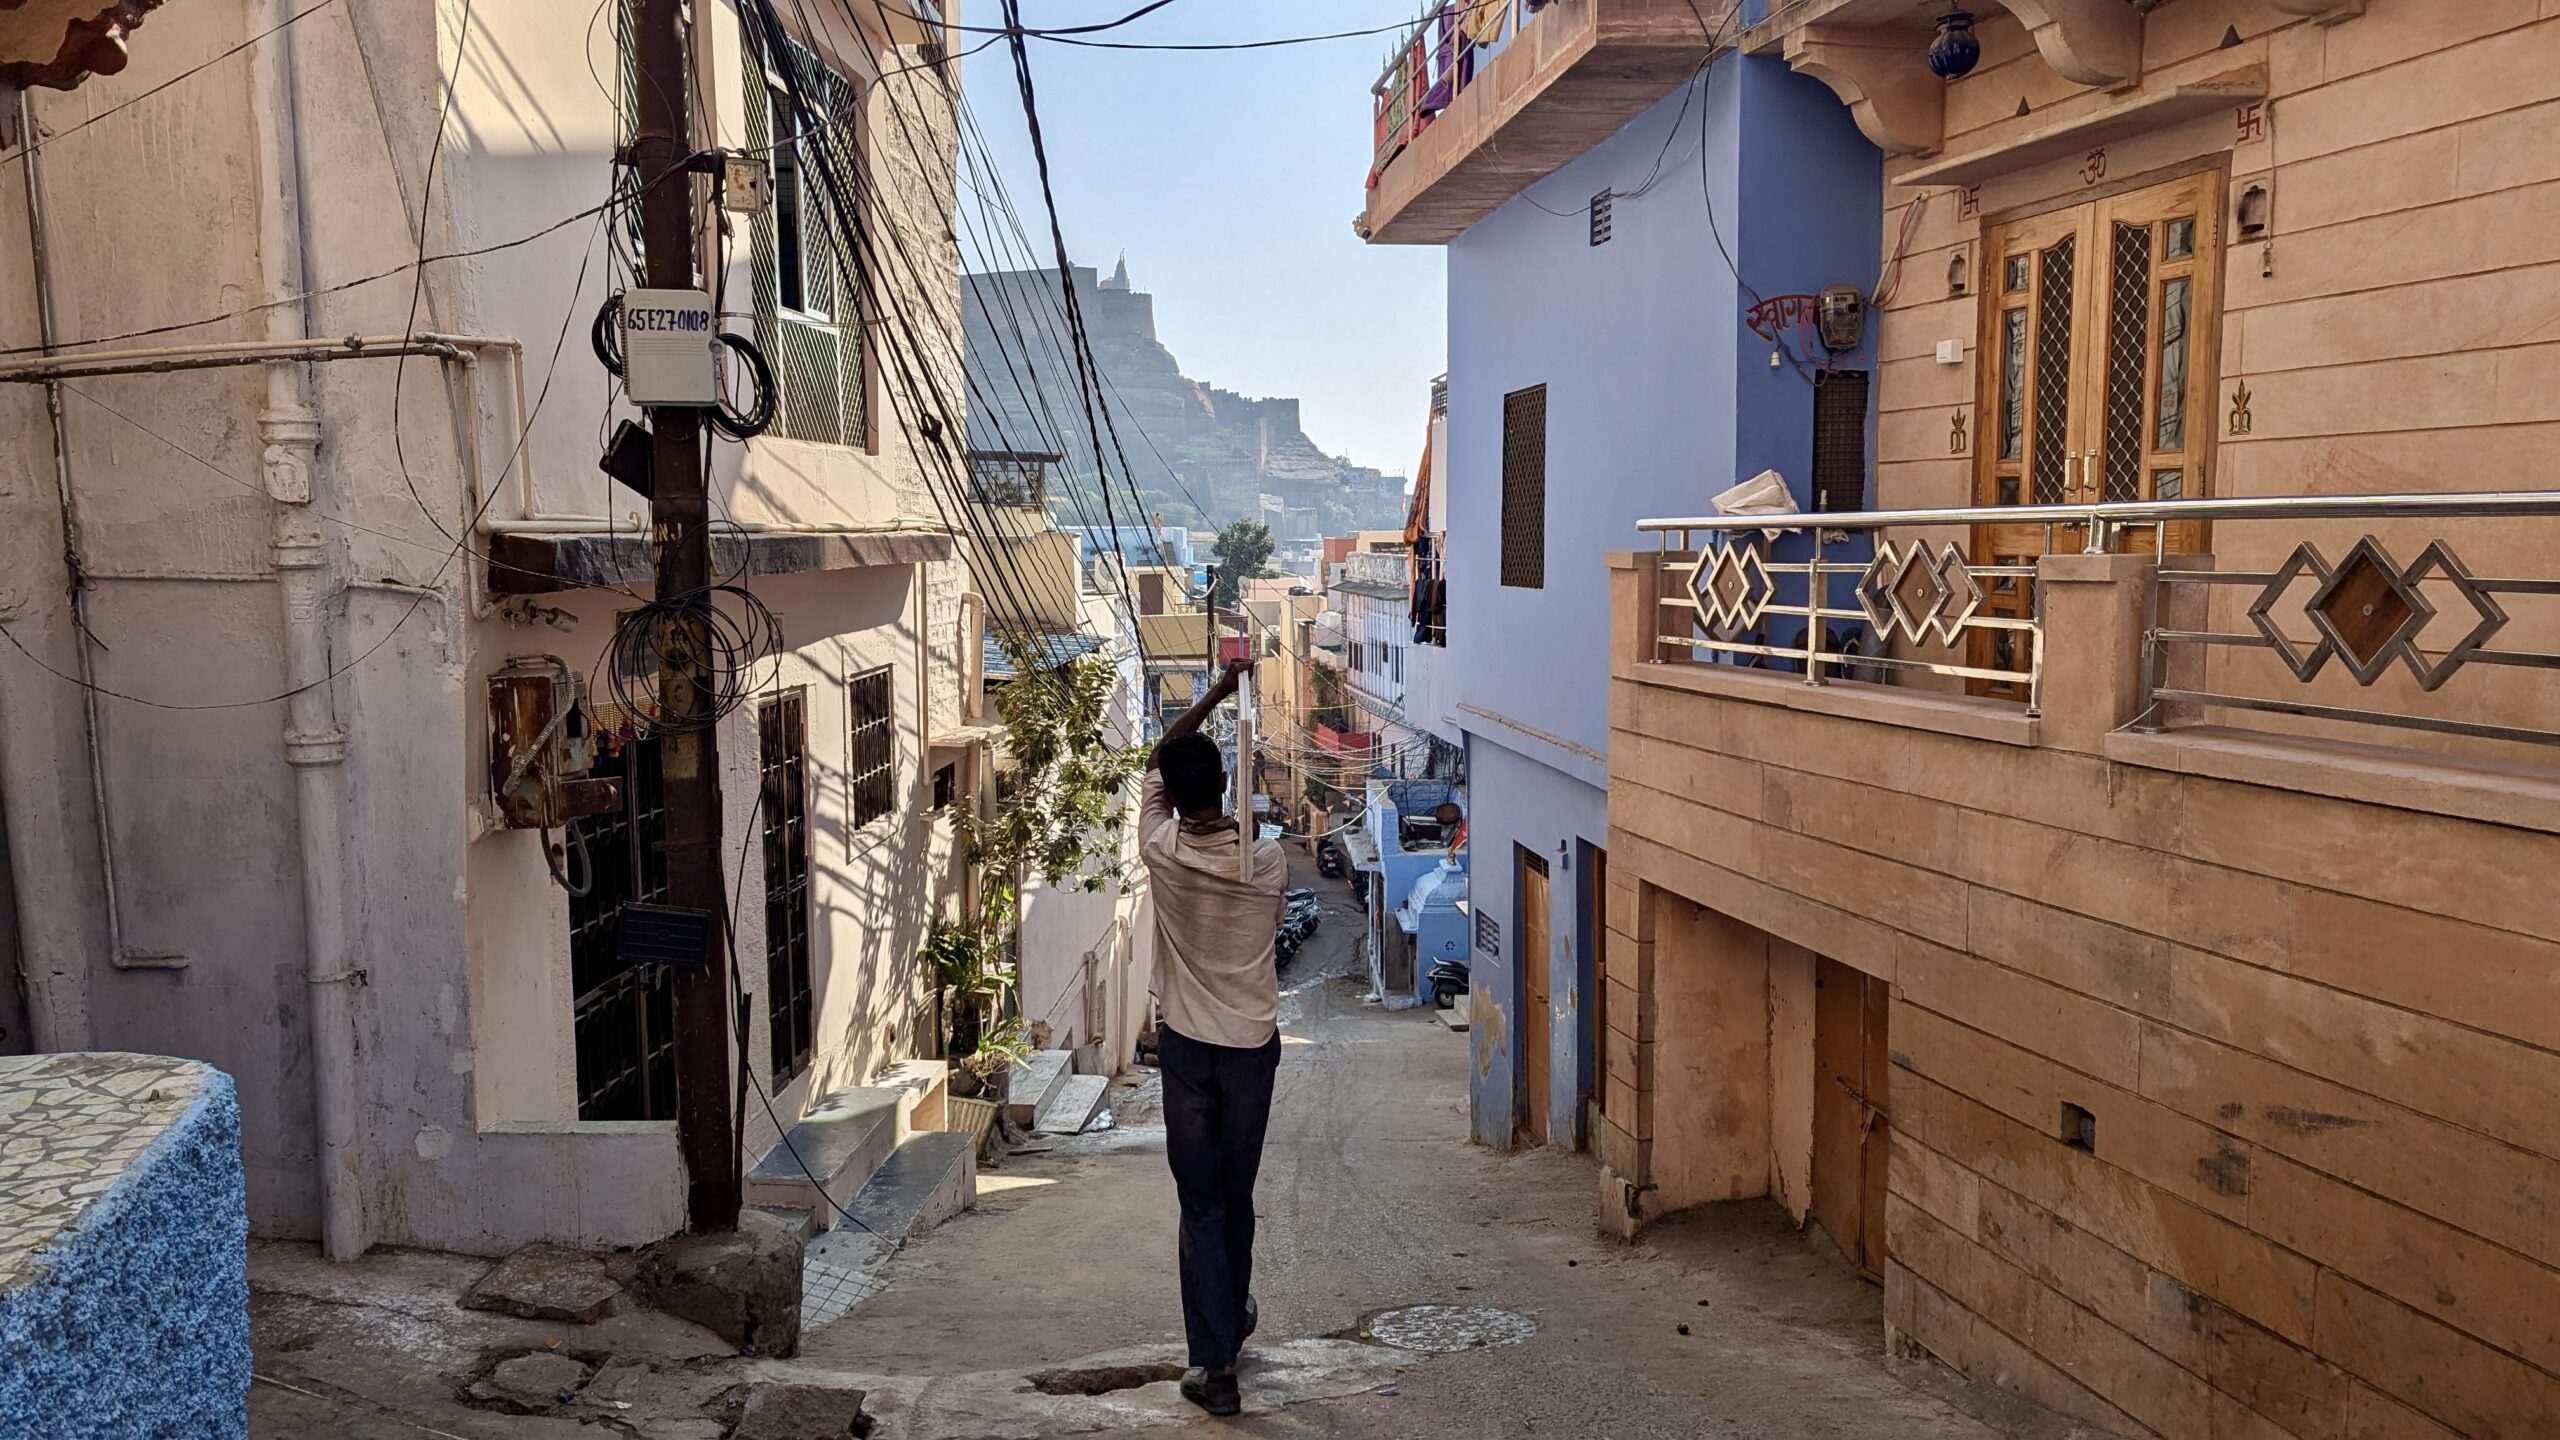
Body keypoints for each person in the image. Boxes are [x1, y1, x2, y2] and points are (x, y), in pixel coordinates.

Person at [1139, 657, 1288, 1417]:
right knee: (1236, 1194)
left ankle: (1216, 1361)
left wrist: (1219, 693)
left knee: (1201, 1204)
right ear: (1227, 786)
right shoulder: (1266, 861)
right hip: (1251, 1049)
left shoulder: (1159, 850)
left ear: (1172, 798)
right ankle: (1229, 1323)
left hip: (1190, 1052)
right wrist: (1237, 696)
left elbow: (1160, 753)